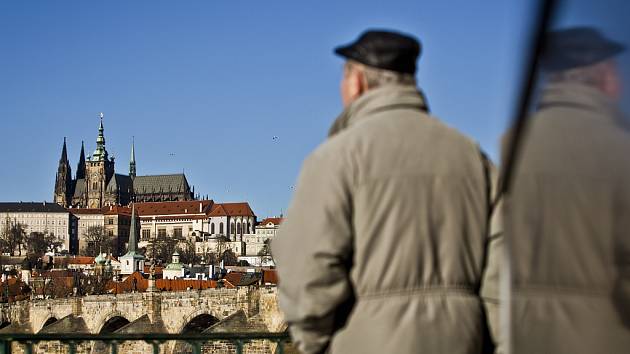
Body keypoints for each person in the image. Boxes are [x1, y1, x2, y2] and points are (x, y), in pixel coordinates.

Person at [273, 29, 496, 354]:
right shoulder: (472, 155)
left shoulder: (336, 157)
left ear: (357, 83)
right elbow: (504, 268)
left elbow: (308, 267)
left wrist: (313, 343)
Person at [501, 27, 630, 353]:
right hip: (605, 334)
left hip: (524, 333)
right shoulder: (620, 148)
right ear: (604, 77)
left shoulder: (512, 143)